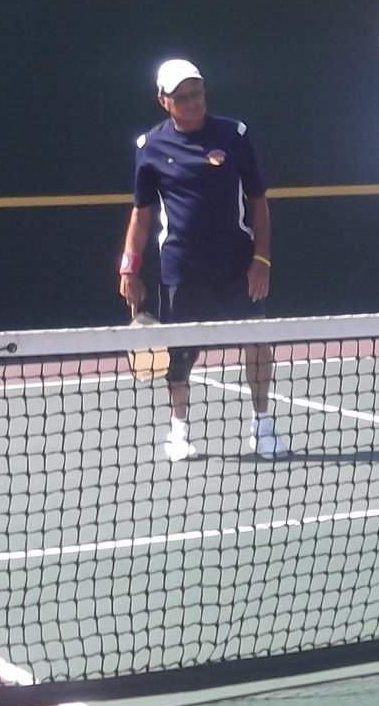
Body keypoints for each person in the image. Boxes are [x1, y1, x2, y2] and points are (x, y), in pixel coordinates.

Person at [118, 58, 286, 461]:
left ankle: (262, 427)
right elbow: (141, 214)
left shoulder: (234, 134)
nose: (193, 102)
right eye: (182, 97)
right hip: (181, 268)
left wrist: (261, 259)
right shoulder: (150, 147)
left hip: (236, 264)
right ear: (164, 101)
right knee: (180, 353)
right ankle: (178, 433)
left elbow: (258, 201)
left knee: (257, 341)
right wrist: (130, 267)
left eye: (198, 93)